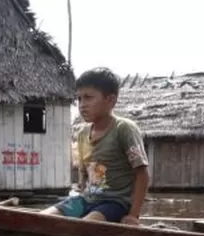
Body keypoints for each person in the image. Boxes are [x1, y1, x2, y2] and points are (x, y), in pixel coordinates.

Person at [42, 68, 150, 225]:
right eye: (79, 99)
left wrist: (133, 215)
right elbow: (83, 174)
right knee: (42, 218)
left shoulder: (124, 129)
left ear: (110, 100)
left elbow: (142, 175)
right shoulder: (82, 134)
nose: (82, 105)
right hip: (87, 200)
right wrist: (82, 196)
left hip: (115, 203)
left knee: (86, 226)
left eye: (88, 98)